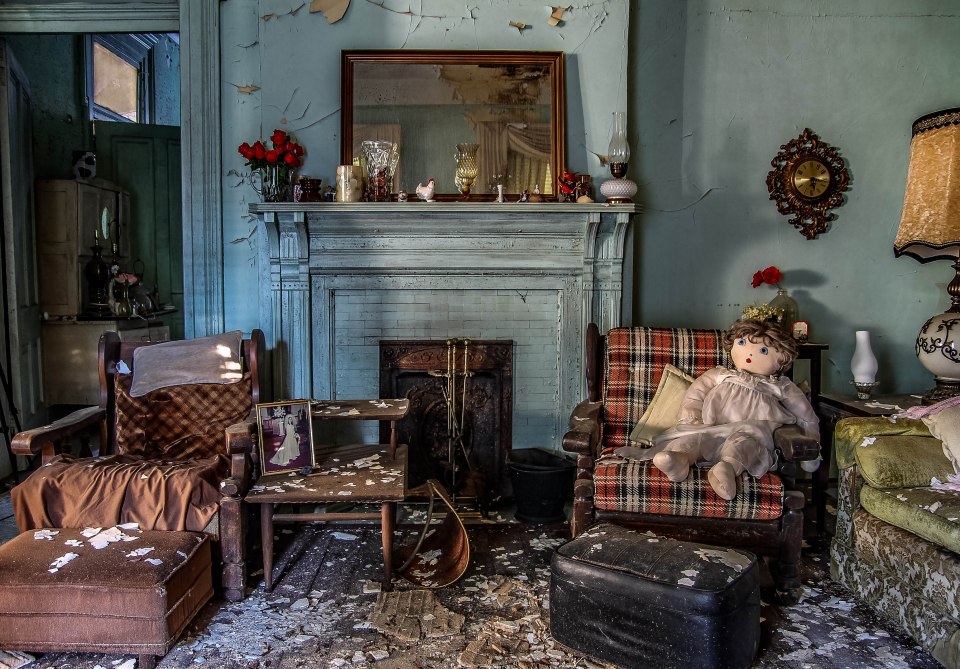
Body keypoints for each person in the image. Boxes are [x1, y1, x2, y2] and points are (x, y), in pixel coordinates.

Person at [615, 319, 819, 500]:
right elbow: (696, 393)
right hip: (710, 427)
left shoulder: (779, 385)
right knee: (692, 440)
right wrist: (690, 416)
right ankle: (678, 460)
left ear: (781, 359)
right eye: (742, 343)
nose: (749, 353)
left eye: (763, 351)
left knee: (742, 447)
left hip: (751, 433)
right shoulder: (721, 374)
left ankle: (725, 469)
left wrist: (811, 449)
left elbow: (806, 416)